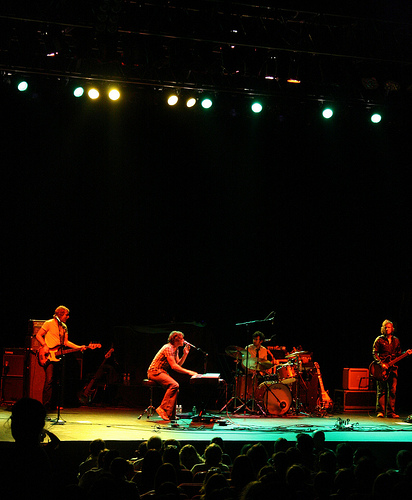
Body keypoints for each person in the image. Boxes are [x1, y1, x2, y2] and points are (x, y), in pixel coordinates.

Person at [35, 305, 87, 409]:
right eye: (66, 315)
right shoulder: (49, 323)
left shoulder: (64, 327)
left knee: (59, 381)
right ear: (60, 315)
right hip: (48, 356)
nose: (68, 317)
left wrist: (79, 347)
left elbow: (66, 342)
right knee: (49, 380)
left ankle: (56, 403)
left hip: (59, 355)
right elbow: (38, 335)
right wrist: (45, 346)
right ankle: (46, 404)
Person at [147, 330, 197, 421]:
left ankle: (170, 414)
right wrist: (189, 372)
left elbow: (178, 364)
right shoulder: (168, 348)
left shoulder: (175, 349)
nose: (184, 340)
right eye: (182, 339)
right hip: (155, 371)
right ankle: (162, 408)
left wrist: (185, 354)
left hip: (162, 372)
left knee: (176, 389)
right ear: (176, 339)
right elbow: (174, 366)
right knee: (174, 385)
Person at [372, 319, 401, 418]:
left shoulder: (396, 340)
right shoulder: (379, 340)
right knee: (381, 390)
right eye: (386, 327)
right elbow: (374, 353)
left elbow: (398, 354)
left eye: (389, 327)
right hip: (382, 369)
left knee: (392, 391)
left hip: (393, 369)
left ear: (392, 329)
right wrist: (381, 364)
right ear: (383, 329)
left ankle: (391, 412)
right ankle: (380, 411)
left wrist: (406, 354)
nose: (387, 329)